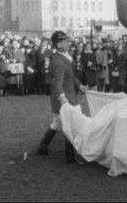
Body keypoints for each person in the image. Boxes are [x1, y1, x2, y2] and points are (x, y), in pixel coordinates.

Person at [37, 31, 88, 164]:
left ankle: (43, 147)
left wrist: (80, 86)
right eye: (65, 41)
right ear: (58, 44)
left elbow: (70, 76)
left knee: (57, 123)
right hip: (66, 97)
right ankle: (70, 156)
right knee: (70, 124)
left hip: (66, 95)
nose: (68, 43)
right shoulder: (59, 61)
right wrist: (62, 96)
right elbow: (58, 82)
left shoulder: (63, 57)